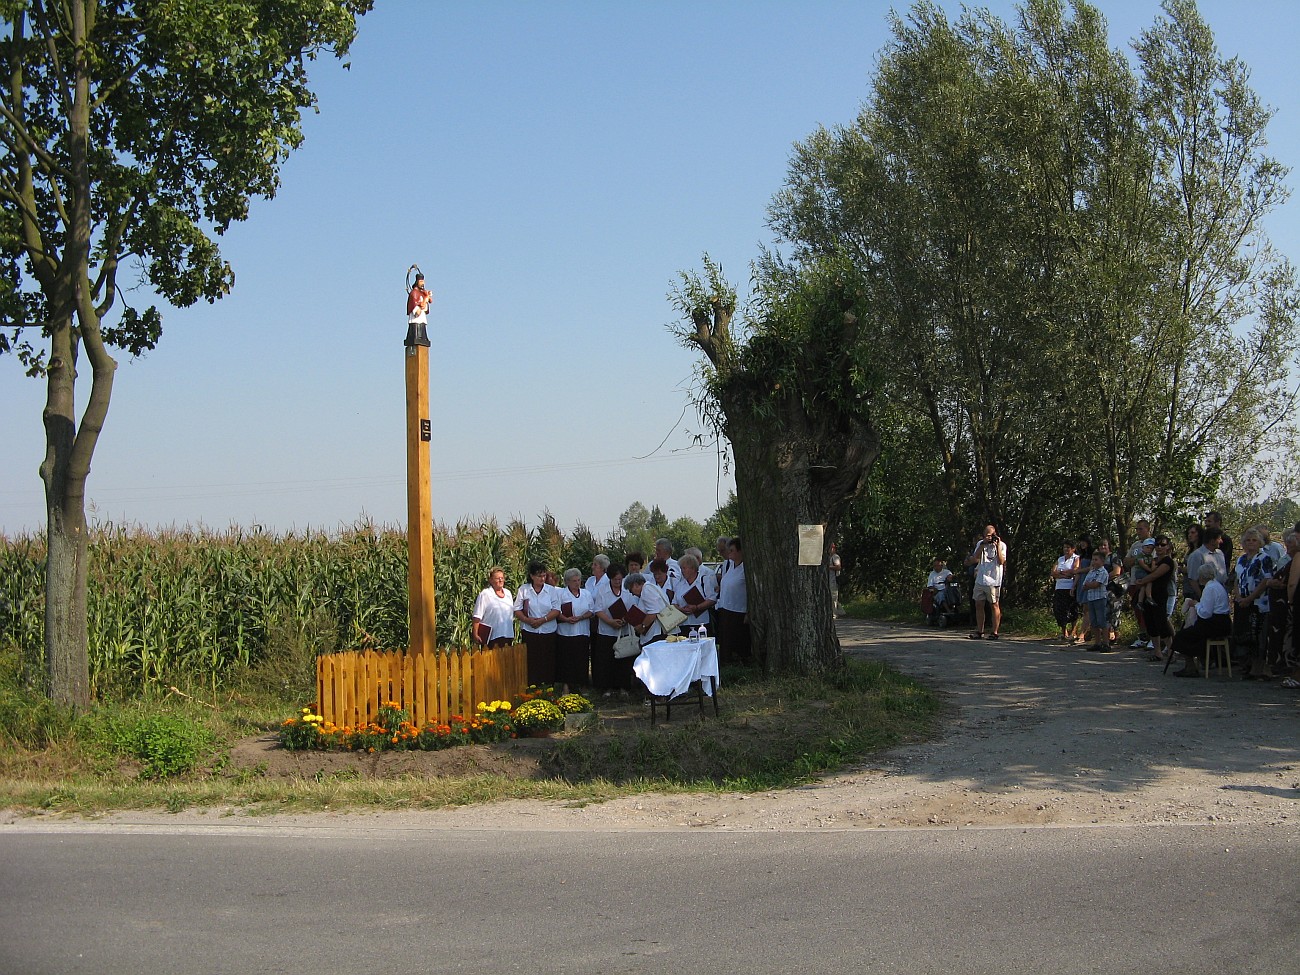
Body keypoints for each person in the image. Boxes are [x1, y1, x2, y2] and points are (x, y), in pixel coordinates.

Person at [1169, 563, 1232, 677]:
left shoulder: (1210, 588)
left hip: (1215, 623)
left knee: (1182, 635)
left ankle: (1191, 666)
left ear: (1202, 577)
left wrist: (1196, 604)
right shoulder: (1217, 585)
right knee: (1192, 633)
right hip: (1223, 622)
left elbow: (1205, 613)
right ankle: (1201, 660)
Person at [1233, 528, 1275, 677]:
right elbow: (1237, 579)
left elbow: (1266, 580)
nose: (1251, 543)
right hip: (1241, 601)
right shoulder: (1241, 559)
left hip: (1258, 603)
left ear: (1260, 542)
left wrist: (1250, 598)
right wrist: (1238, 596)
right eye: (1248, 540)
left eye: (1254, 540)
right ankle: (1246, 665)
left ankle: (1257, 668)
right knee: (1243, 635)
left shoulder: (1264, 558)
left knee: (1258, 637)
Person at [514, 561, 561, 685]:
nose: (542, 578)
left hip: (548, 629)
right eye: (539, 576)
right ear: (532, 576)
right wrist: (527, 620)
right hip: (530, 630)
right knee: (532, 659)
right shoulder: (524, 590)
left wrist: (543, 620)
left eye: (544, 576)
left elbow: (556, 610)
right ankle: (532, 685)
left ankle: (548, 685)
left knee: (547, 658)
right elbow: (517, 609)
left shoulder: (551, 590)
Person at [591, 564, 631, 692]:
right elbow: (598, 610)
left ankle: (623, 687)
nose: (618, 582)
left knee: (623, 660)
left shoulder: (626, 588)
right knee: (606, 660)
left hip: (623, 630)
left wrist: (625, 620)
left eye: (620, 579)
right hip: (606, 631)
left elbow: (632, 607)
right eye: (615, 580)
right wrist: (610, 621)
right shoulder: (602, 590)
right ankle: (606, 688)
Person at [966, 524, 1007, 640]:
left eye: (990, 535)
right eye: (986, 535)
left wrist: (997, 545)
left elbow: (1001, 561)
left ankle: (995, 632)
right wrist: (983, 544)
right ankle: (980, 631)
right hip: (981, 578)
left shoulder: (1002, 545)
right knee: (979, 604)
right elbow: (975, 558)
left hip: (994, 580)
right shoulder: (980, 543)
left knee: (994, 605)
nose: (988, 538)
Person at [1138, 536, 1176, 660]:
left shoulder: (1168, 562)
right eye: (1158, 544)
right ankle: (1157, 652)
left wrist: (1142, 581)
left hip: (1160, 595)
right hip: (1149, 596)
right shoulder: (1153, 560)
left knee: (1162, 623)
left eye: (1163, 545)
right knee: (1151, 624)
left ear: (1168, 547)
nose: (1160, 547)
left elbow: (1155, 575)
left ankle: (1171, 652)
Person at [555, 567, 594, 691]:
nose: (577, 583)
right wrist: (566, 619)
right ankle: (566, 685)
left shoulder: (586, 593)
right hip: (565, 632)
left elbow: (592, 611)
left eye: (578, 580)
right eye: (574, 581)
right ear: (567, 582)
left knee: (581, 659)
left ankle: (582, 684)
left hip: (582, 631)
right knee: (566, 660)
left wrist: (581, 617)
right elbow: (556, 611)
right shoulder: (561, 594)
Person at [715, 535, 751, 664]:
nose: (729, 554)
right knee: (725, 642)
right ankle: (726, 664)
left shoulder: (745, 569)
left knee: (737, 641)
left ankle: (739, 665)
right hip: (726, 608)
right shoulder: (730, 566)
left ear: (740, 551)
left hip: (738, 611)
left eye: (732, 551)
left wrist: (748, 611)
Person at [1124, 521, 1154, 648]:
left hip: (1147, 582)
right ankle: (1142, 636)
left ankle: (1153, 637)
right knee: (1138, 609)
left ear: (1148, 529)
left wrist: (1139, 562)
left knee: (1150, 610)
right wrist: (1138, 560)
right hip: (1134, 581)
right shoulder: (1135, 545)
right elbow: (1126, 561)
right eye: (1136, 529)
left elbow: (1152, 561)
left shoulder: (1153, 544)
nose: (1138, 532)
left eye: (1140, 529)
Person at [673, 552, 718, 635]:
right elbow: (674, 603)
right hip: (684, 624)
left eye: (684, 568)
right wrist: (681, 609)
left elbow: (712, 599)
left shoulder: (704, 581)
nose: (682, 571)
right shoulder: (680, 584)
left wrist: (697, 607)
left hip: (701, 624)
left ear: (693, 568)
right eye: (681, 568)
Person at [471, 566, 515, 648]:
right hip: (492, 637)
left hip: (508, 635)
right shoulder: (485, 594)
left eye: (502, 578)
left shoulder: (508, 593)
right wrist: (475, 634)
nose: (500, 580)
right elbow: (477, 616)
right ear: (491, 580)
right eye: (497, 578)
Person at [1082, 551, 1113, 651]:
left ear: (1102, 561)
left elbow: (1096, 584)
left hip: (1100, 598)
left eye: (1096, 560)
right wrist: (1089, 585)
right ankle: (1097, 643)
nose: (1094, 562)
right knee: (1094, 621)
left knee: (1102, 621)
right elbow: (1084, 585)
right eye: (1093, 559)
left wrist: (1089, 585)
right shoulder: (1091, 572)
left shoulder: (1103, 572)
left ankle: (1106, 643)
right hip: (1091, 598)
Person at [625, 571, 667, 647]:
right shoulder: (652, 587)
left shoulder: (646, 590)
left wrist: (642, 626)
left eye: (631, 590)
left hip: (655, 633)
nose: (632, 594)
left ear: (636, 585)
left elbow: (653, 613)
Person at [1051, 541, 1080, 644]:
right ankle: (1064, 632)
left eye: (1068, 548)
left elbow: (1074, 571)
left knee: (1072, 609)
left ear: (1073, 549)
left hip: (1070, 587)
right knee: (1059, 609)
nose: (1066, 550)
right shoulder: (1060, 559)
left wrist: (1063, 573)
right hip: (1059, 587)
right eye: (1064, 548)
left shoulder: (1076, 558)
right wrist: (1064, 574)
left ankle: (1073, 632)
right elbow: (1053, 572)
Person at [405, 271, 432, 347]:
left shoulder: (423, 293)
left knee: (422, 330)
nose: (422, 283)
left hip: (422, 317)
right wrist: (419, 306)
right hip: (415, 318)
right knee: (415, 331)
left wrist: (426, 298)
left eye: (423, 281)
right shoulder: (414, 293)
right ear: (417, 282)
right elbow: (414, 305)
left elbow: (426, 307)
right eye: (421, 281)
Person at [829, 542, 843, 618]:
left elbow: (838, 567)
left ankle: (834, 613)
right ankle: (840, 611)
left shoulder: (835, 557)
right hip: (828, 580)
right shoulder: (827, 557)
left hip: (833, 580)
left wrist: (828, 567)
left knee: (833, 597)